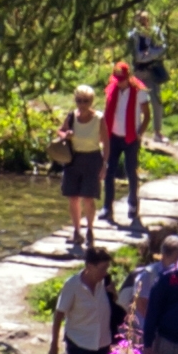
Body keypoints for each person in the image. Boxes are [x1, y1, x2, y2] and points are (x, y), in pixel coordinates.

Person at [95, 50, 154, 230]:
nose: (119, 83)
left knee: (131, 172)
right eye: (116, 79)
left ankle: (133, 205)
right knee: (109, 172)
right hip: (113, 136)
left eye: (121, 79)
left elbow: (147, 116)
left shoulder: (139, 93)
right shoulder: (111, 90)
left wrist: (139, 133)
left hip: (130, 138)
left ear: (128, 77)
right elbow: (107, 113)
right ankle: (107, 207)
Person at [53, 89, 103, 254]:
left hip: (92, 159)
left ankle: (89, 229)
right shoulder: (72, 116)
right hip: (73, 160)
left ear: (91, 102)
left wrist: (105, 164)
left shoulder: (99, 119)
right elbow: (60, 131)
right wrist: (65, 134)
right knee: (73, 197)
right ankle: (76, 230)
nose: (82, 104)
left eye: (86, 101)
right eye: (79, 101)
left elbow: (107, 142)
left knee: (88, 198)